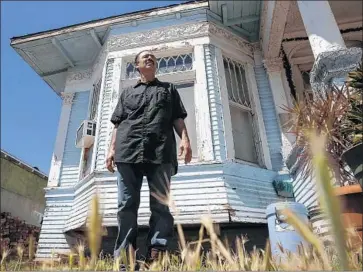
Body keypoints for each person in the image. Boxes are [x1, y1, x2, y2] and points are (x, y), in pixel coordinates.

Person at [106, 50, 192, 267]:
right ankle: (126, 258)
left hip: (161, 150)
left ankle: (156, 255)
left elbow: (177, 118)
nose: (150, 58)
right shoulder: (127, 93)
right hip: (128, 150)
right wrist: (111, 150)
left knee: (161, 205)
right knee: (126, 204)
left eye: (153, 57)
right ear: (136, 65)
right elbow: (117, 124)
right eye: (145, 56)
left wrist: (186, 140)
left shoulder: (168, 89)